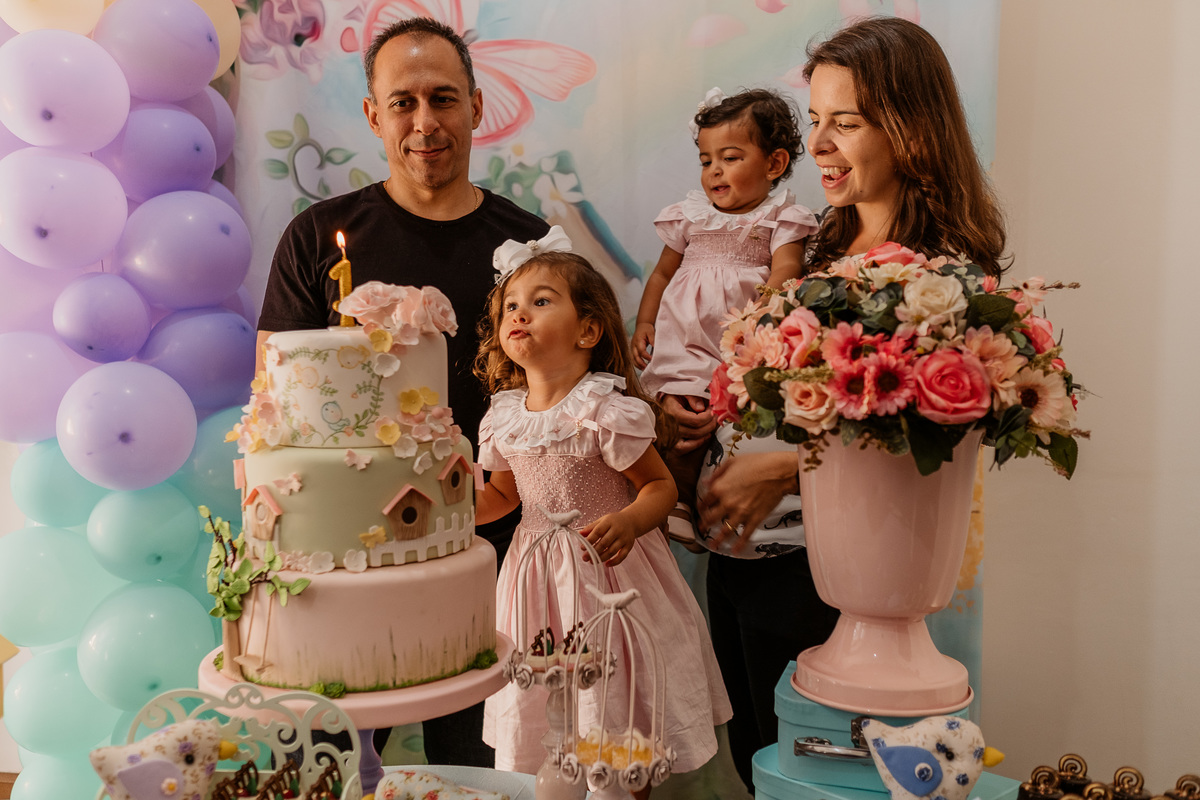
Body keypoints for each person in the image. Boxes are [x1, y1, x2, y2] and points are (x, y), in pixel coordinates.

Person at [694, 16, 1008, 792]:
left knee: (817, 778)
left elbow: (927, 446)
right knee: (757, 765)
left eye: (848, 122)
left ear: (910, 130)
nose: (821, 145)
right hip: (738, 555)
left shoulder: (946, 279)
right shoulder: (821, 249)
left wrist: (782, 472)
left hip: (826, 574)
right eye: (816, 121)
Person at [255, 16, 550, 771]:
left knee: (478, 763)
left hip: (490, 548)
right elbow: (276, 395)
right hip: (344, 557)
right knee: (329, 763)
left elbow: (560, 397)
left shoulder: (530, 248)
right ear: (372, 114)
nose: (425, 123)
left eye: (444, 98)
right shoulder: (317, 238)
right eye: (403, 102)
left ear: (476, 107)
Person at [473, 229, 732, 793]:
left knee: (615, 709)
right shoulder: (503, 417)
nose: (519, 314)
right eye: (510, 306)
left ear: (587, 330)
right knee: (552, 715)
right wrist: (452, 507)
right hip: (536, 582)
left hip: (610, 579)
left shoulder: (604, 411)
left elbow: (660, 487)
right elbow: (502, 497)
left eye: (541, 301)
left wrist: (631, 520)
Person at [631, 87, 818, 547]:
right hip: (685, 338)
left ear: (773, 164)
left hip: (740, 337)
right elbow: (661, 274)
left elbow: (787, 269)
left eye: (730, 157)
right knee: (681, 411)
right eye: (705, 160)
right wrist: (645, 322)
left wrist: (766, 311)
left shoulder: (781, 217)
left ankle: (698, 500)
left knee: (717, 412)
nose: (714, 170)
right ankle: (672, 499)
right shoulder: (690, 215)